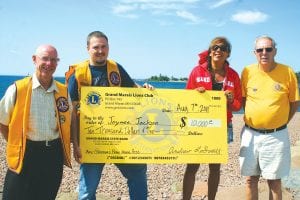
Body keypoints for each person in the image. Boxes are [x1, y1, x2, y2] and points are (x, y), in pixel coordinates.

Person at [67, 31, 148, 200]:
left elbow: (134, 89)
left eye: (104, 46)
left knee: (138, 174)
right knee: (87, 191)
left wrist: (146, 90)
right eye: (96, 47)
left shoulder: (116, 68)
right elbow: (72, 113)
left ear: (108, 48)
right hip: (92, 140)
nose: (100, 50)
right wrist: (76, 143)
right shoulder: (78, 74)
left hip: (120, 138)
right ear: (88, 48)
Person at [0, 45, 72, 200]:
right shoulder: (18, 89)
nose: (49, 63)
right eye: (45, 58)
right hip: (25, 153)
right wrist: (15, 142)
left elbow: (70, 120)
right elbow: (2, 121)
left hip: (53, 155)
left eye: (53, 60)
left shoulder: (63, 91)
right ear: (34, 59)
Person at [239, 35, 299, 200]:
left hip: (276, 136)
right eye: (260, 49)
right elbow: (243, 99)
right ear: (254, 53)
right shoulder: (247, 71)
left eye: (268, 49)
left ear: (275, 51)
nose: (264, 52)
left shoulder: (287, 72)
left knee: (274, 182)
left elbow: (294, 102)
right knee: (250, 180)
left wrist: (281, 121)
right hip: (250, 135)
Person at [182, 37, 242, 200]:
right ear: (210, 51)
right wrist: (196, 95)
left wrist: (230, 100)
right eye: (215, 47)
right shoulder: (197, 71)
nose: (218, 50)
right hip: (198, 125)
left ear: (228, 53)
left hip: (221, 126)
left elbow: (238, 106)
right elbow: (186, 100)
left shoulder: (234, 75)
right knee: (192, 166)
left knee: (215, 167)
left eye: (223, 48)